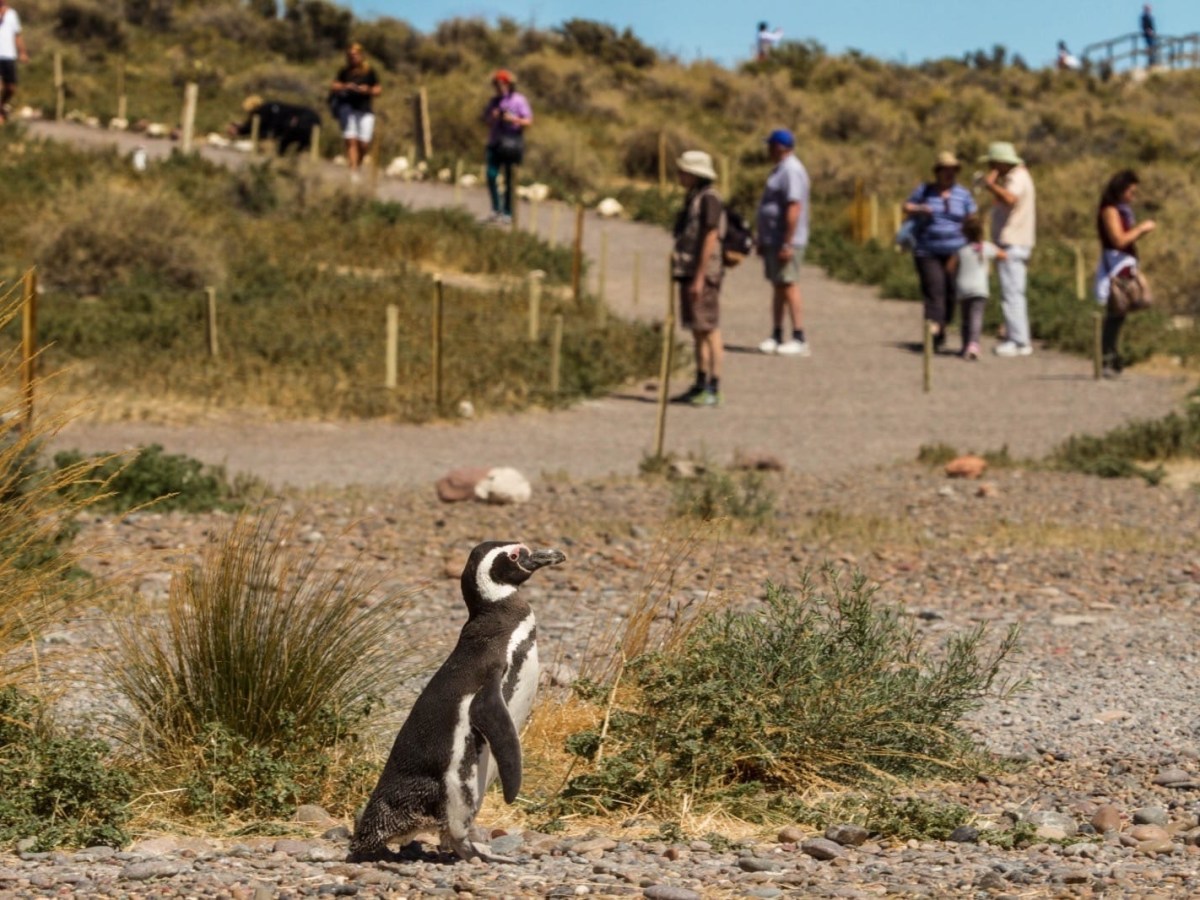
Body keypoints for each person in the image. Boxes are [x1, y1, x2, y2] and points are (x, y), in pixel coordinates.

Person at [903, 151, 976, 352]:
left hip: (956, 251)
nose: (949, 173)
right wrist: (920, 209)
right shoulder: (925, 191)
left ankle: (941, 327)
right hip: (928, 250)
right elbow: (906, 206)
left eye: (953, 170)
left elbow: (972, 218)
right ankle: (933, 331)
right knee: (935, 291)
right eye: (945, 170)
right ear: (938, 171)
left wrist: (975, 242)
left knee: (952, 291)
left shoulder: (963, 194)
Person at [670, 150, 725, 407]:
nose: (679, 176)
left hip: (702, 273)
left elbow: (710, 237)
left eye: (683, 171)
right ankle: (700, 381)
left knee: (708, 329)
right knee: (696, 329)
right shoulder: (695, 198)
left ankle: (714, 385)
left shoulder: (710, 199)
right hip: (689, 270)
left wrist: (700, 276)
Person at [1095, 169, 1156, 378]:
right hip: (1115, 265)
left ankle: (1114, 356)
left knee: (1123, 312)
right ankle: (1107, 358)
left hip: (1126, 264)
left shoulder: (1123, 210)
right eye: (1130, 191)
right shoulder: (1110, 211)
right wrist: (1141, 230)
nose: (1133, 196)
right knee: (1115, 311)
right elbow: (1119, 240)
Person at [756, 129, 811, 356]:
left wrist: (787, 242)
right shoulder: (780, 169)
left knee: (789, 283)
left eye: (770, 146)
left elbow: (794, 206)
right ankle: (777, 333)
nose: (767, 150)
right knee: (778, 285)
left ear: (779, 147)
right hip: (774, 238)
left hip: (786, 239)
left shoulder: (791, 170)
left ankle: (799, 337)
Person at [979, 141, 1037, 357]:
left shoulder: (1017, 178)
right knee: (1013, 293)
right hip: (1014, 243)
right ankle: (1018, 336)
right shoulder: (1017, 177)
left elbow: (1010, 198)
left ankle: (1018, 340)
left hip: (1013, 243)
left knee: (1011, 294)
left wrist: (991, 185)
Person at [483, 69, 532, 225]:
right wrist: (494, 116)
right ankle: (496, 208)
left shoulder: (519, 100)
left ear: (509, 84)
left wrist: (512, 119)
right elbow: (486, 120)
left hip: (511, 143)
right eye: (497, 84)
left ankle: (508, 212)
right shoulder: (493, 102)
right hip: (495, 143)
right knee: (491, 175)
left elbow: (528, 121)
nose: (499, 87)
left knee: (510, 179)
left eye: (502, 84)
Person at [953, 217, 1007, 361]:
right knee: (976, 317)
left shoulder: (961, 250)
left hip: (963, 289)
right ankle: (974, 344)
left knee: (965, 318)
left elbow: (950, 267)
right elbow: (1003, 255)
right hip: (979, 289)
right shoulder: (986, 247)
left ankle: (965, 345)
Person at [330, 43, 380, 178]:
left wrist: (367, 90)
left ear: (361, 55)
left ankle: (357, 166)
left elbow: (378, 89)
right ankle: (353, 173)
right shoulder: (344, 71)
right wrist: (346, 86)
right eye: (350, 55)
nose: (352, 58)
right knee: (350, 140)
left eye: (355, 55)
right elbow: (334, 85)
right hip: (348, 109)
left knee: (363, 143)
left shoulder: (369, 71)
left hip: (365, 110)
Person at [227, 96, 321, 155]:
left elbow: (255, 126)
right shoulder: (269, 109)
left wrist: (240, 130)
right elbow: (254, 126)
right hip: (312, 120)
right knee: (291, 147)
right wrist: (240, 129)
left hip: (303, 122)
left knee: (285, 144)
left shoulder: (265, 111)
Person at [0, 0, 29, 124]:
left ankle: (2, 105)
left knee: (11, 88)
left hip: (9, 55)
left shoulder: (12, 14)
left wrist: (22, 52)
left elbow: (17, 35)